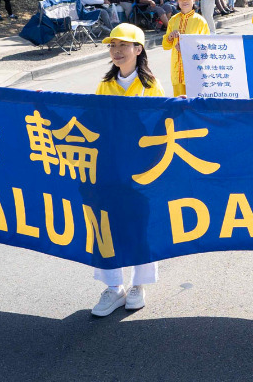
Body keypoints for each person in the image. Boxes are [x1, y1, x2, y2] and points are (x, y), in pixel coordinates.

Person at [91, 23, 164, 316]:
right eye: (112, 46)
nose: (117, 51)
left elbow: (160, 127)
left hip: (139, 170)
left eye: (123, 45)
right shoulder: (104, 85)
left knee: (138, 224)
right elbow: (91, 122)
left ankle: (138, 285)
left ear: (138, 49)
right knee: (106, 226)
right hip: (108, 169)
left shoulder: (151, 86)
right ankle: (113, 288)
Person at [162, 0, 209, 96]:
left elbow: (206, 48)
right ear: (177, 1)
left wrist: (188, 49)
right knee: (179, 104)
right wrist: (170, 37)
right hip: (176, 71)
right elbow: (165, 46)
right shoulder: (173, 20)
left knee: (194, 103)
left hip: (193, 70)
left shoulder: (200, 21)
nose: (184, 1)